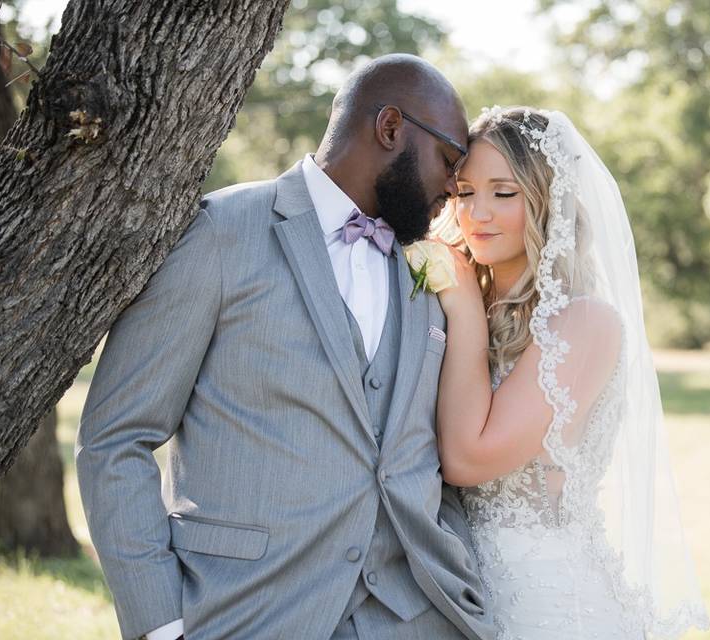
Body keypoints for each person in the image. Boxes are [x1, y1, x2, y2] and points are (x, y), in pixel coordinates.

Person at [75, 54, 493, 640]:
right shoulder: (220, 234)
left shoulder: (427, 267)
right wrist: (161, 625)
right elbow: (116, 436)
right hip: (253, 613)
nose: (454, 186)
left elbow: (428, 449)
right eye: (449, 160)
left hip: (418, 616)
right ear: (391, 128)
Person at [432, 106, 710, 639]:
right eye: (465, 192)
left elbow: (469, 458)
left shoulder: (584, 324)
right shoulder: (467, 306)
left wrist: (464, 305)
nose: (477, 214)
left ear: (547, 200)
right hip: (461, 597)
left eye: (503, 193)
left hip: (549, 606)